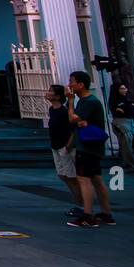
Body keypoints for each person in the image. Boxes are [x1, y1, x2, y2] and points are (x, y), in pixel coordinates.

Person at [66, 70, 115, 228]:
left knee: (84, 180)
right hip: (92, 145)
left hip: (87, 146)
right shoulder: (88, 101)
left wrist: (71, 101)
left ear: (81, 84)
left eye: (72, 81)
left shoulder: (88, 102)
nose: (70, 84)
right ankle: (106, 213)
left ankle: (88, 215)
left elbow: (73, 119)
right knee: (96, 178)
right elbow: (78, 122)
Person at [45, 83, 85, 219]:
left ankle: (82, 205)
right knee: (63, 176)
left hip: (64, 147)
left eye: (50, 91)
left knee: (72, 177)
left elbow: (74, 129)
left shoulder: (64, 111)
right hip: (56, 146)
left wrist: (68, 145)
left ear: (57, 96)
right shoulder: (52, 110)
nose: (47, 93)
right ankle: (80, 202)